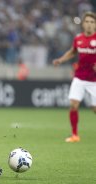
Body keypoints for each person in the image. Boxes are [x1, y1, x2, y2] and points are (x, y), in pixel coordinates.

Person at [52, 12, 96, 143]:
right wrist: (60, 60)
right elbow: (73, 51)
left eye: (92, 22)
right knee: (73, 105)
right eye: (87, 22)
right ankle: (74, 135)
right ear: (83, 24)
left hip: (94, 80)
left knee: (94, 109)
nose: (89, 24)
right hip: (80, 77)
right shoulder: (79, 38)